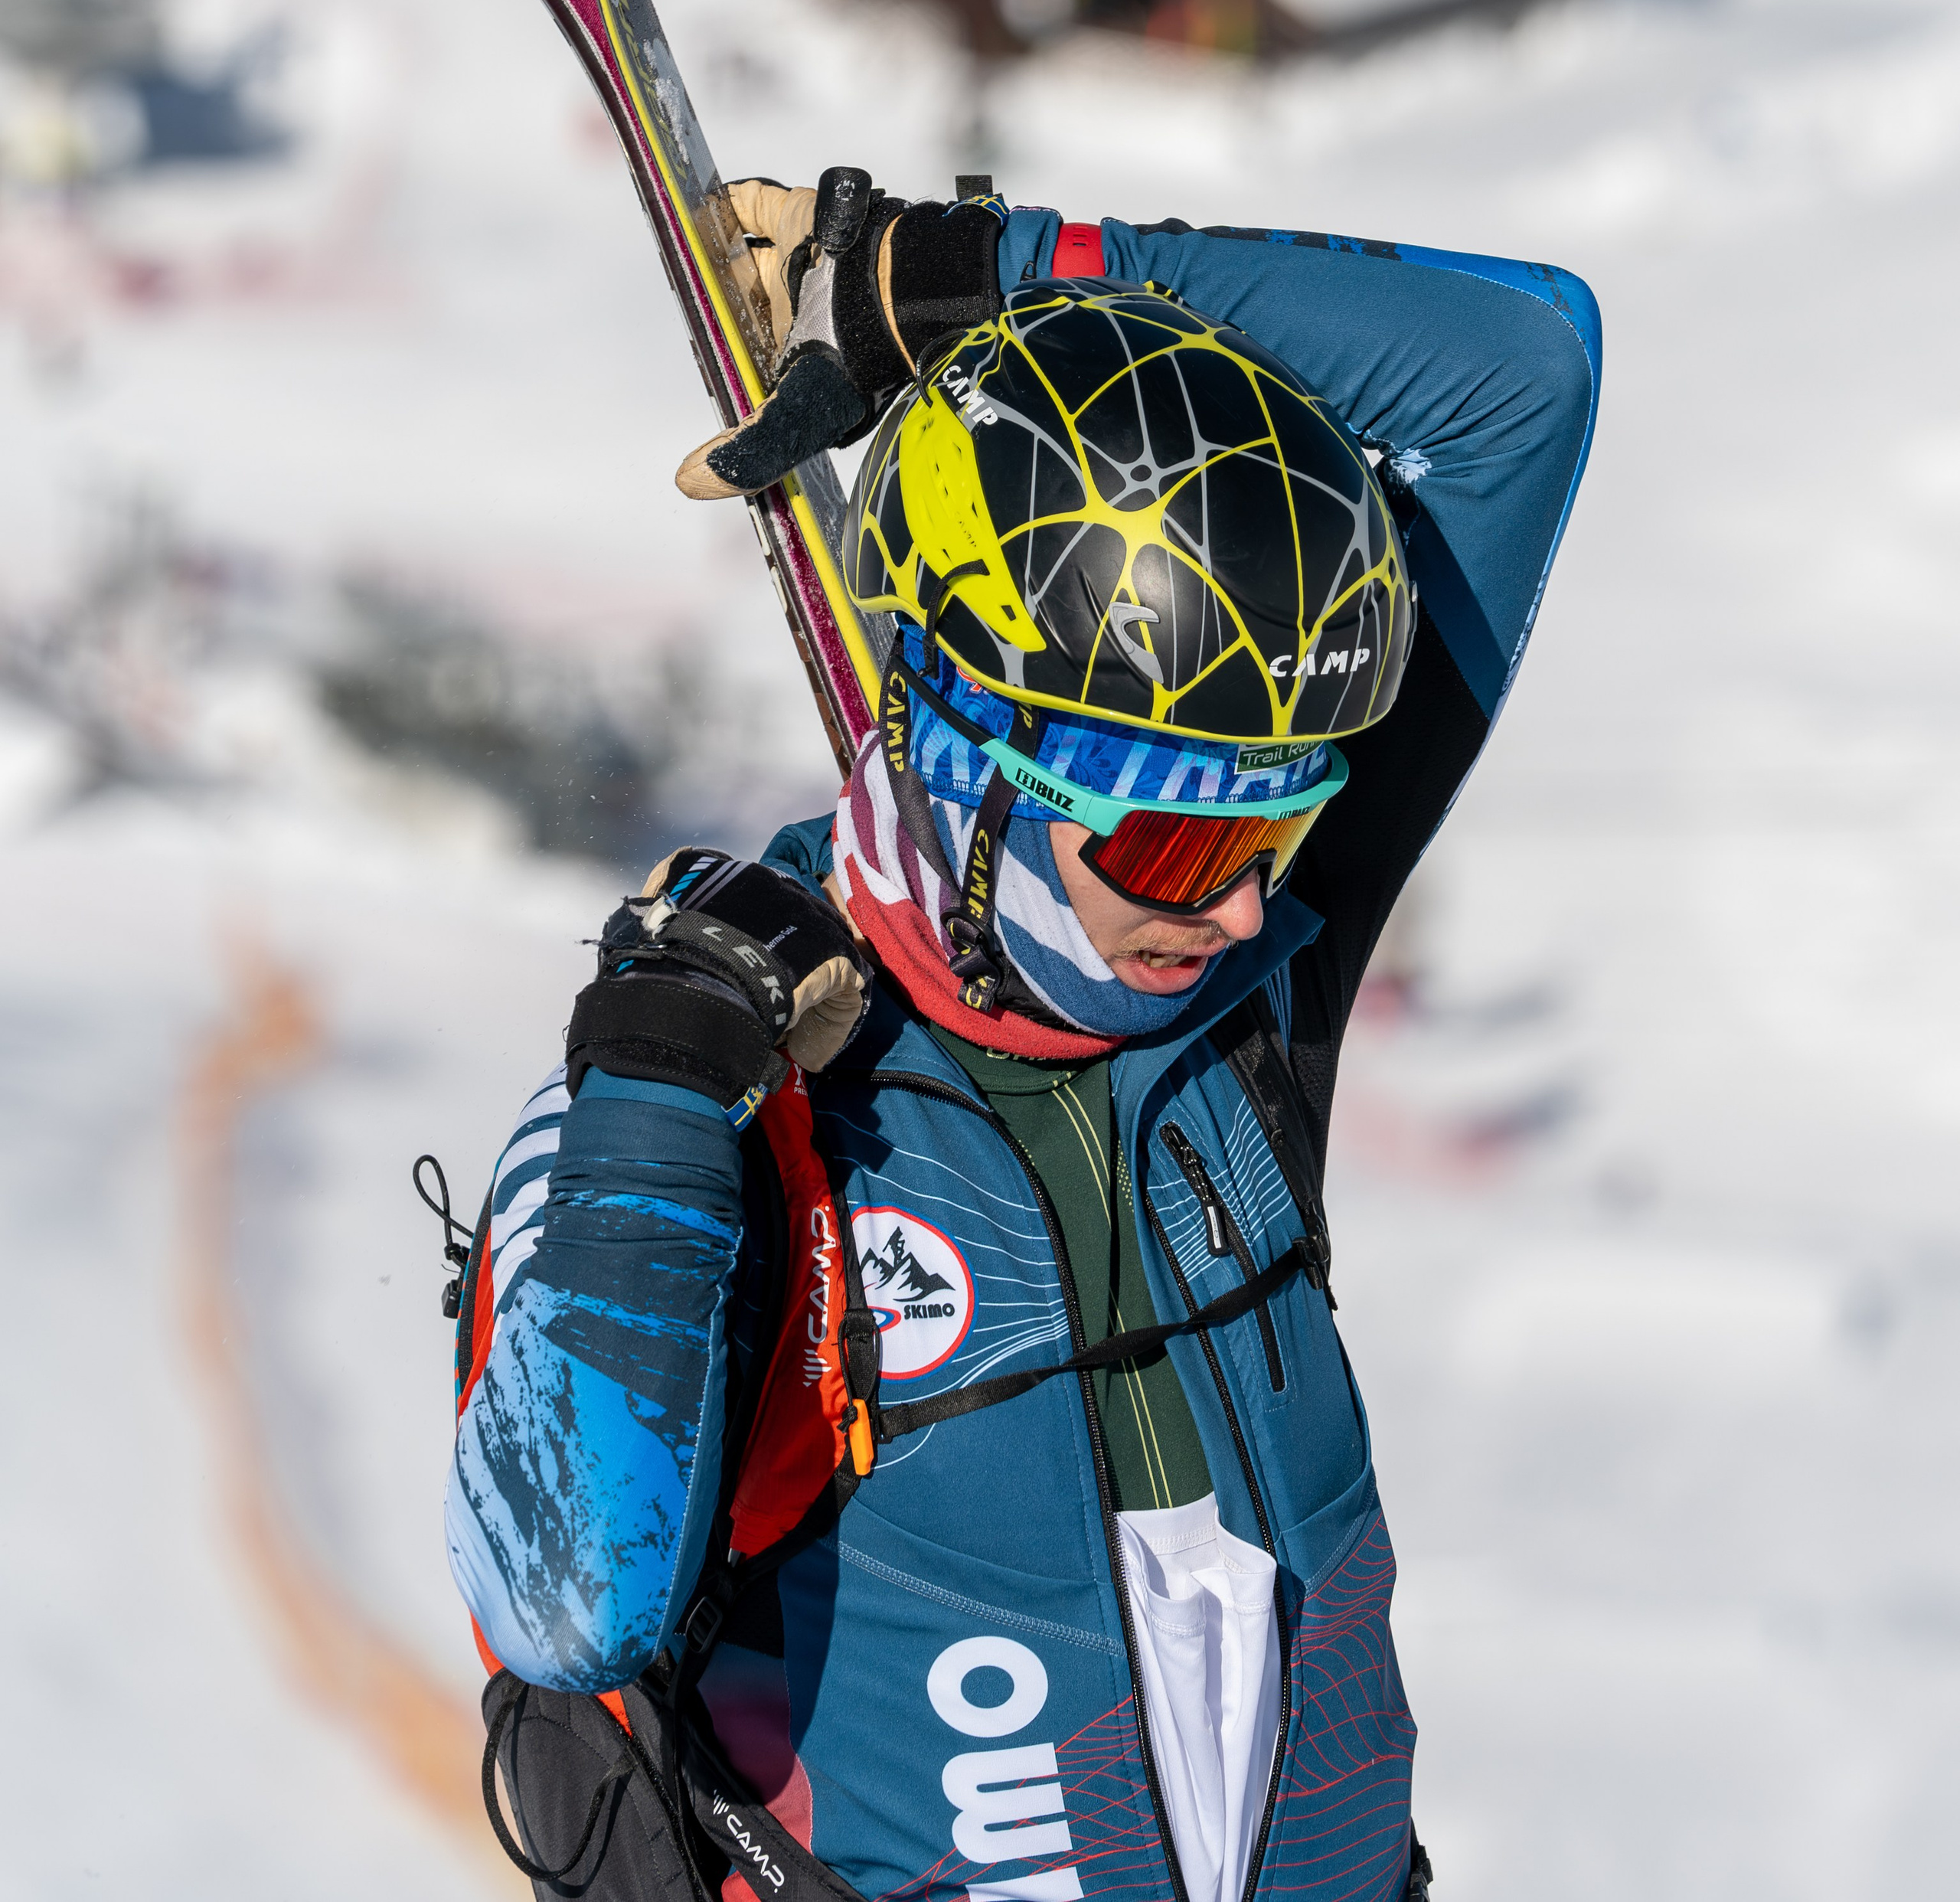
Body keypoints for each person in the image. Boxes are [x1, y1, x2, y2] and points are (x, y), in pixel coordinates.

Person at [442, 182, 1599, 1902]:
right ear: (975, 760)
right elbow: (560, 1596)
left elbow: (1518, 372)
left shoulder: (1245, 1008)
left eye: (1279, 836)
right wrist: (658, 1076)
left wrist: (980, 277)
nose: (1235, 909)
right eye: (1175, 843)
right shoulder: (747, 1107)